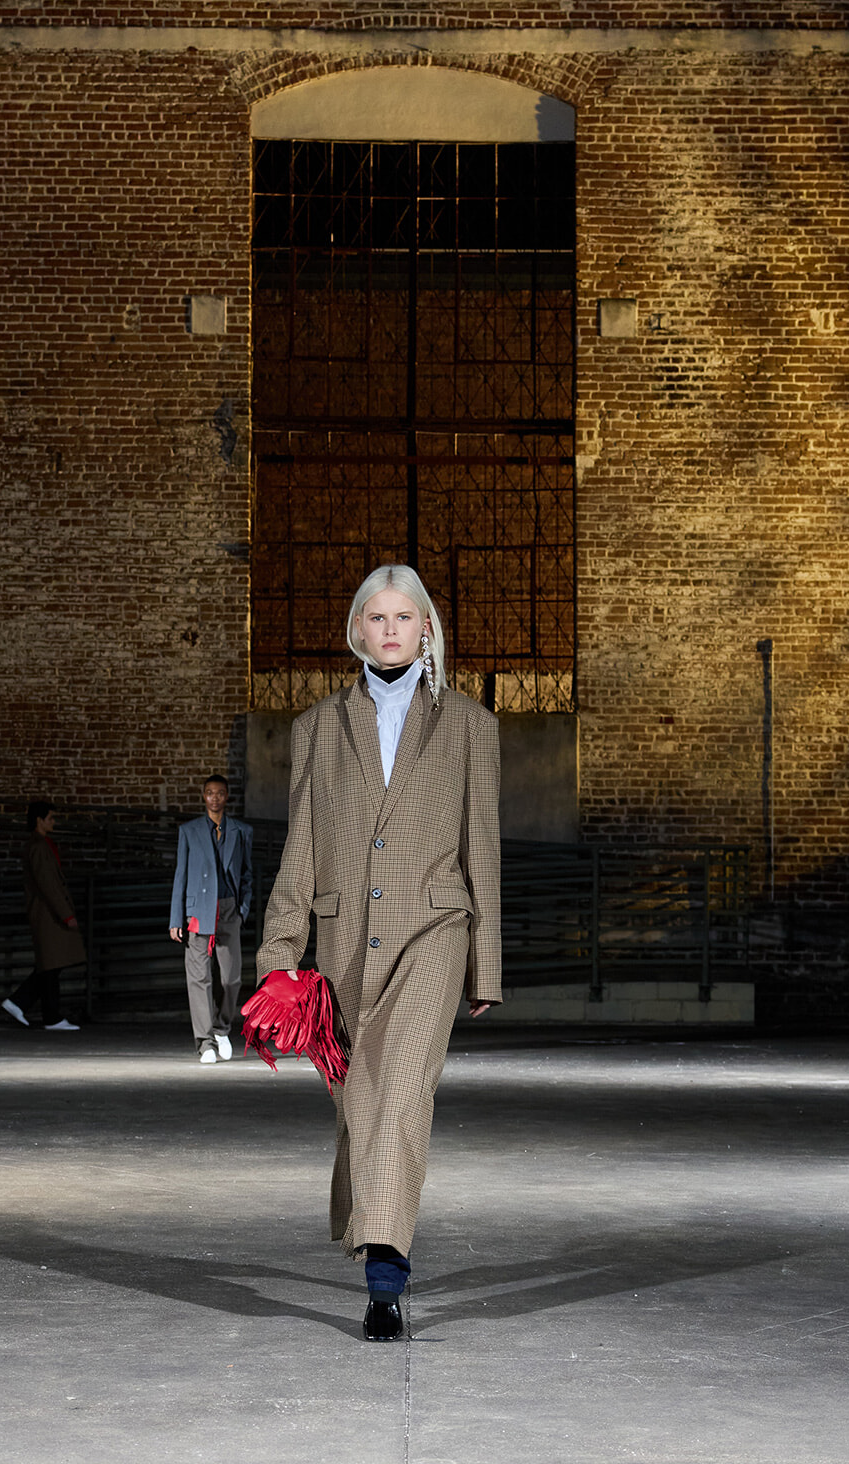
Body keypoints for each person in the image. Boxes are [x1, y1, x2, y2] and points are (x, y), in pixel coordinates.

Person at [255, 563, 501, 1341]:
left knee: (399, 1094)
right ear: (357, 628)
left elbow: (482, 848)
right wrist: (279, 956)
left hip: (435, 931)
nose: (390, 629)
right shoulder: (318, 727)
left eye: (404, 616)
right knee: (360, 1098)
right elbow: (301, 849)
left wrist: (485, 963)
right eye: (376, 616)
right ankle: (374, 1228)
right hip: (343, 943)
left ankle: (384, 1280)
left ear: (426, 627)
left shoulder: (470, 725)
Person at [169, 775, 253, 1063]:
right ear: (203, 796)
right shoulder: (189, 831)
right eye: (209, 793)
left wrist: (242, 910)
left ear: (227, 796)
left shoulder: (241, 831)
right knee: (199, 978)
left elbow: (247, 874)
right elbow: (180, 875)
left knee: (232, 978)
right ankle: (205, 1043)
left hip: (229, 910)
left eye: (219, 793)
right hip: (198, 912)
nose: (214, 797)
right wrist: (176, 918)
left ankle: (221, 1028)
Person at [1, 800, 85, 1031]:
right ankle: (42, 1012)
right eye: (50, 818)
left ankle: (34, 1008)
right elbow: (48, 884)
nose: (53, 822)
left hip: (48, 913)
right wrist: (66, 915)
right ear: (39, 820)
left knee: (51, 964)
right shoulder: (38, 847)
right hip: (48, 914)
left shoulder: (39, 845)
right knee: (51, 965)